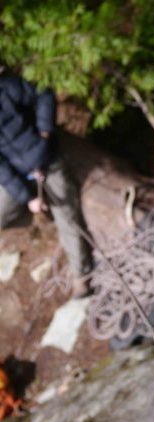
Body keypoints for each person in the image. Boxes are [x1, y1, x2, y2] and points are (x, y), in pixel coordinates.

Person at [0, 75, 93, 297]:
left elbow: (44, 94)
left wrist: (44, 132)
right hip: (20, 174)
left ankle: (82, 275)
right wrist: (27, 199)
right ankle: (38, 213)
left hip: (47, 158)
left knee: (67, 216)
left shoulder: (7, 87)